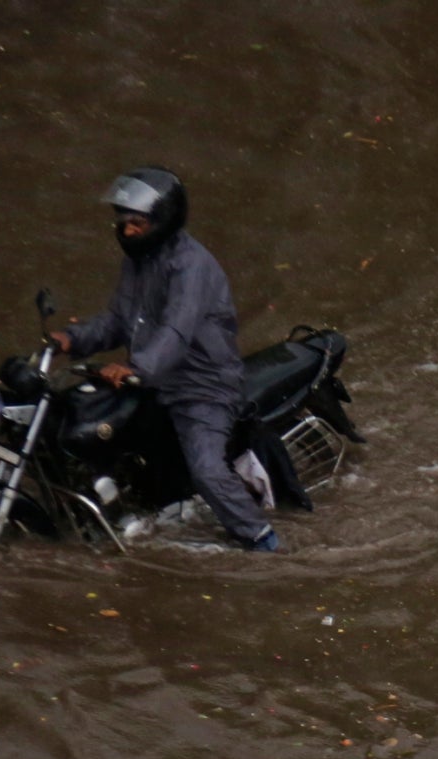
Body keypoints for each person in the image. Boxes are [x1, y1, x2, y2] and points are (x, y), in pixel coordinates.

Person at [49, 167, 280, 553]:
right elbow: (118, 320)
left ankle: (263, 541)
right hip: (154, 381)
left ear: (162, 221)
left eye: (137, 223)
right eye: (122, 222)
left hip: (201, 385)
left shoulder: (191, 266)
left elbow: (176, 330)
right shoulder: (138, 263)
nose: (127, 231)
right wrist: (69, 340)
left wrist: (138, 368)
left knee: (206, 469)